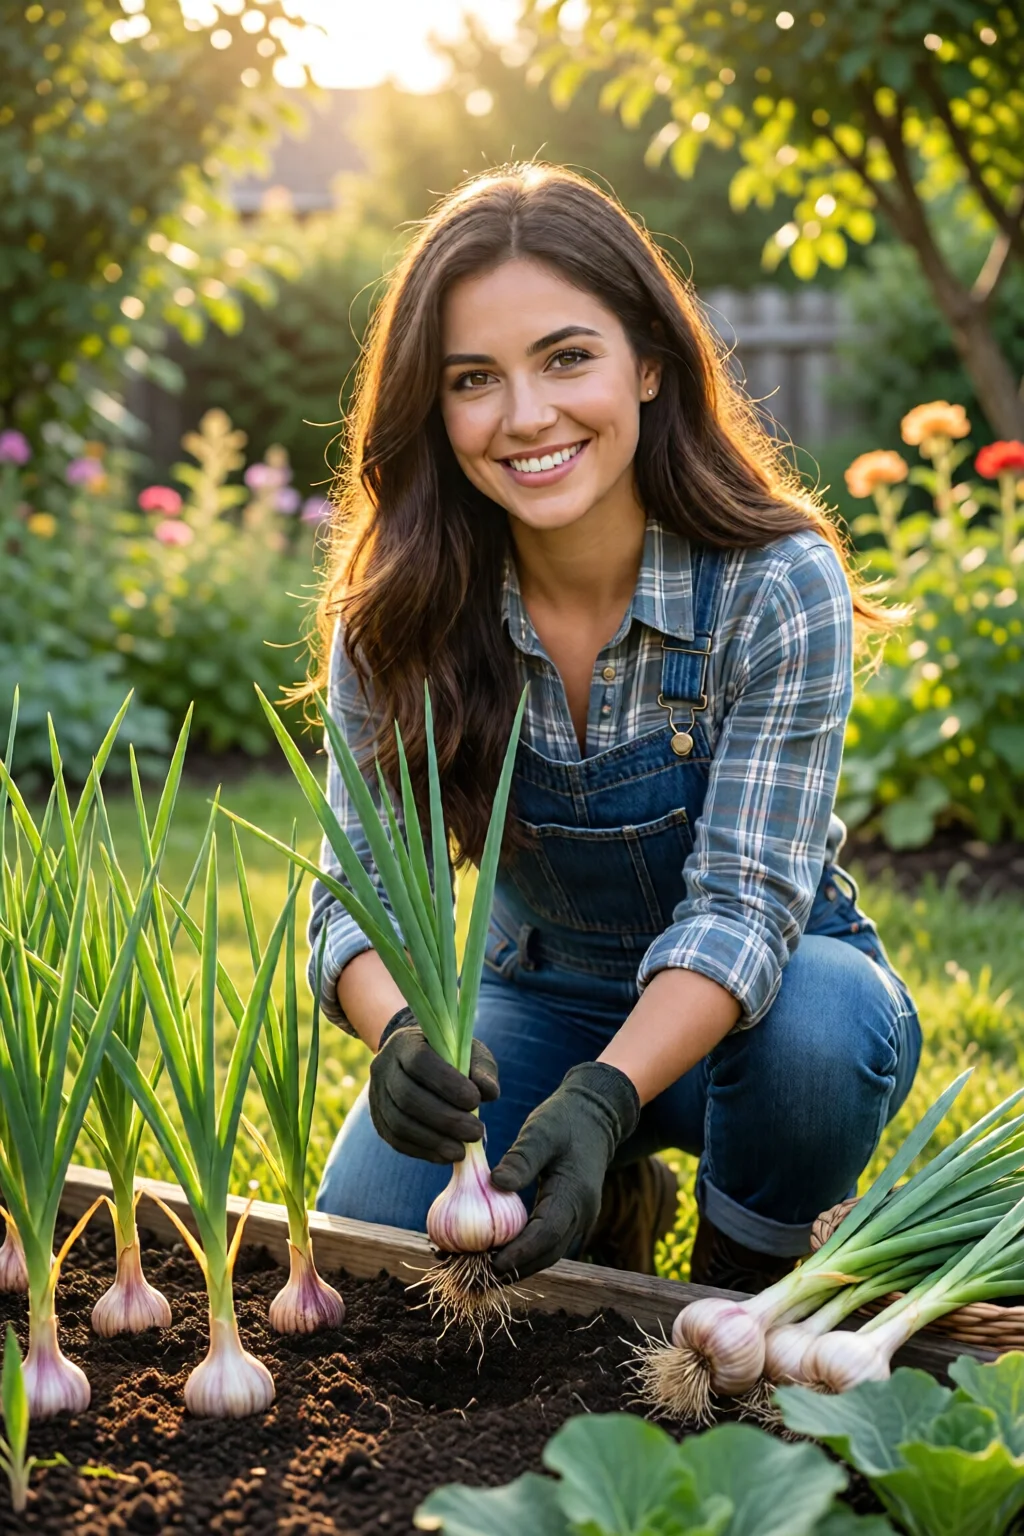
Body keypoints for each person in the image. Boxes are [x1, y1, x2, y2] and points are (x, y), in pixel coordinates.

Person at [304, 163, 921, 1290]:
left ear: (647, 360)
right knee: (375, 1243)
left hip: (762, 1006)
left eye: (566, 357)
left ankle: (728, 1290)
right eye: (473, 378)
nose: (526, 415)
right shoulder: (399, 611)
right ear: (433, 410)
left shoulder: (776, 585)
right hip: (534, 995)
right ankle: (611, 1197)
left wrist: (603, 1093)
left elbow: (746, 904)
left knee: (825, 1034)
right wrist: (399, 1032)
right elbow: (360, 892)